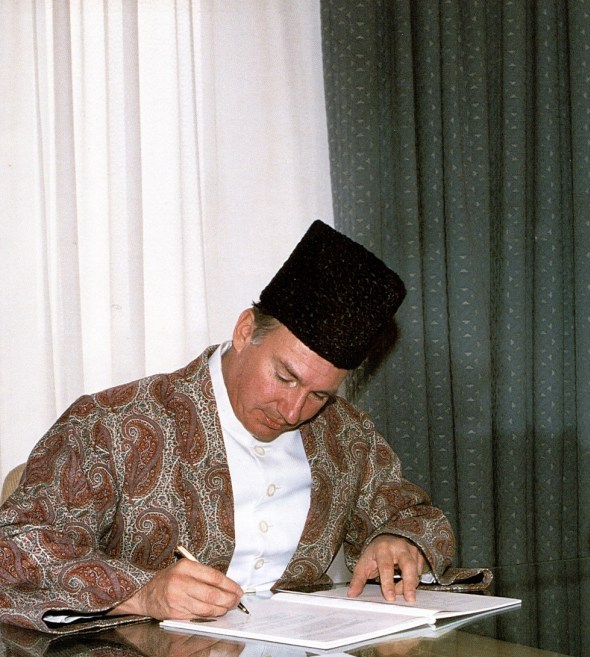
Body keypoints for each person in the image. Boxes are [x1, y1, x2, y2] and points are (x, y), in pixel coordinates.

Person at [0, 221, 458, 633]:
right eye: (284, 376)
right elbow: (17, 543)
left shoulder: (346, 436)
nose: (295, 410)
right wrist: (141, 593)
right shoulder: (113, 424)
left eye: (320, 394)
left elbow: (410, 513)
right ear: (244, 330)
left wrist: (398, 539)